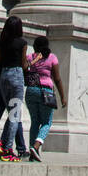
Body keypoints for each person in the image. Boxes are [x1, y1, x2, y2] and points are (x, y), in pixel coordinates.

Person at [25, 34, 66, 162]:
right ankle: (36, 145)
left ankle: (32, 150)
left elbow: (25, 68)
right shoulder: (52, 58)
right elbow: (57, 78)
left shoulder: (30, 57)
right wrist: (62, 96)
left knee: (35, 121)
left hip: (31, 90)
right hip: (46, 91)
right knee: (47, 122)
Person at [0, 17, 28, 162]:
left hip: (4, 76)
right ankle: (7, 149)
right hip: (16, 75)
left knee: (11, 112)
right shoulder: (22, 43)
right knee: (15, 114)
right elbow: (24, 64)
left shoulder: (1, 42)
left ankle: (2, 143)